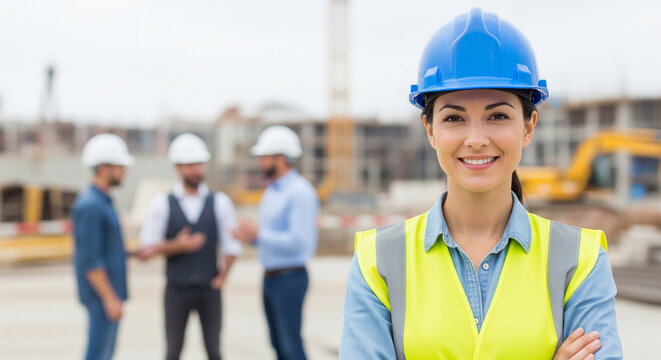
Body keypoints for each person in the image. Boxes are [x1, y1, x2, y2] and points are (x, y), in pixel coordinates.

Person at [339, 8, 623, 360]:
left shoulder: (580, 260)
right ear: (430, 129)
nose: (475, 139)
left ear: (528, 126)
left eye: (498, 116)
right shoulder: (377, 261)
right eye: (455, 118)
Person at [138, 133, 242, 360]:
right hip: (176, 289)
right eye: (189, 165)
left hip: (208, 289)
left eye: (199, 164)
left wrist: (221, 279)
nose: (196, 170)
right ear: (177, 168)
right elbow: (147, 248)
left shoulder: (220, 202)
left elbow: (232, 246)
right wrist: (178, 246)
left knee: (214, 351)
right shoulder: (161, 203)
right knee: (173, 350)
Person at [233, 125, 319, 360]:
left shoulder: (299, 192)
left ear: (281, 158)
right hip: (271, 278)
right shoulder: (273, 191)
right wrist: (250, 237)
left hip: (290, 278)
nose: (260, 162)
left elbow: (299, 242)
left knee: (291, 346)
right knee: (278, 345)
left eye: (265, 157)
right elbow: (271, 236)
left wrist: (259, 234)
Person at [73, 133, 134, 360]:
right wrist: (109, 298)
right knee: (98, 355)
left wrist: (134, 253)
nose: (124, 172)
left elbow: (104, 247)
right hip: (101, 295)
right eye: (120, 166)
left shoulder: (102, 202)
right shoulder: (91, 206)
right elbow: (91, 259)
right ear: (104, 168)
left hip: (107, 292)